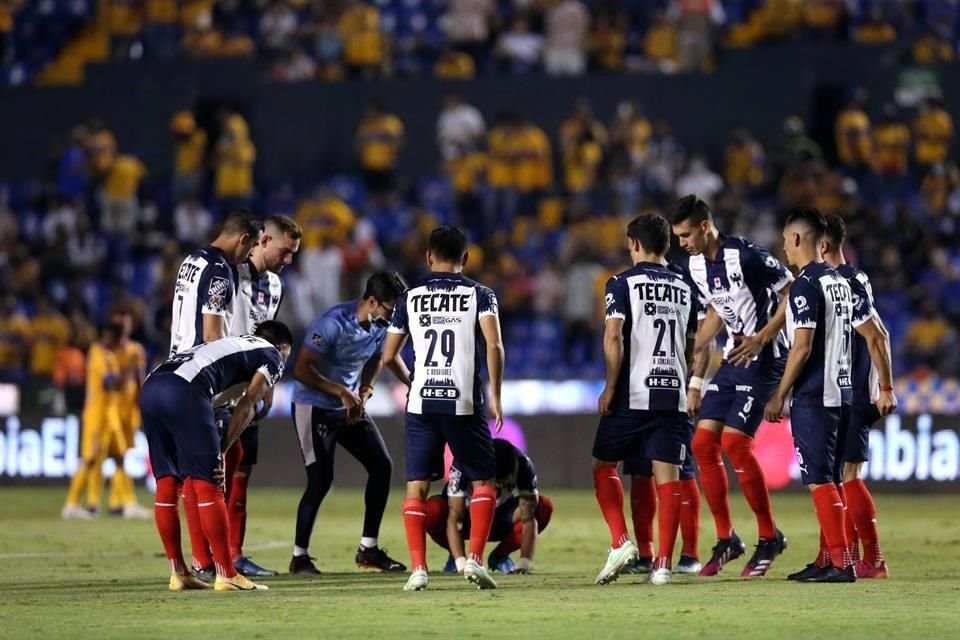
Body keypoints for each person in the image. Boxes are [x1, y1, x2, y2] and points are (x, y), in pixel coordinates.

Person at [763, 208, 897, 583]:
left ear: (798, 240)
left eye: (785, 240)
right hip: (843, 392)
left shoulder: (808, 283)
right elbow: (875, 332)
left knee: (824, 479)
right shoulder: (841, 281)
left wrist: (779, 394)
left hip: (817, 394)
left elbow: (802, 347)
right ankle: (830, 559)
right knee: (837, 477)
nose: (783, 249)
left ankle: (843, 562)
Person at [671, 194, 791, 577]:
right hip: (733, 361)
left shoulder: (747, 255)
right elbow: (715, 313)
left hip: (766, 358)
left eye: (686, 234)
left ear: (705, 226)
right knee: (702, 444)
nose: (682, 243)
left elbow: (793, 293)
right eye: (677, 236)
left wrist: (762, 336)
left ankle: (770, 536)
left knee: (735, 444)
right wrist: (694, 376)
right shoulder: (694, 266)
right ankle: (728, 538)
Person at [382, 225, 505, 591]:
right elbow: (494, 345)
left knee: (416, 487)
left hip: (421, 400)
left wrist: (410, 381)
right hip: (463, 402)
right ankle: (477, 561)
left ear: (428, 256)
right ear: (465, 258)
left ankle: (418, 568)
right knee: (484, 481)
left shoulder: (410, 297)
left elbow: (388, 356)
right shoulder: (480, 294)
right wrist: (496, 394)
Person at [142, 321, 293, 592]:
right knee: (210, 482)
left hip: (151, 385)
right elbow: (248, 402)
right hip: (185, 390)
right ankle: (227, 574)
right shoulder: (272, 354)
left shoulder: (232, 345)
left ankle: (178, 573)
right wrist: (221, 450)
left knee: (167, 484)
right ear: (282, 347)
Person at [591, 213, 697, 587]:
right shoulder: (687, 287)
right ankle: (664, 566)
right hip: (673, 394)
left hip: (632, 393)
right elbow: (691, 343)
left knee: (604, 466)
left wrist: (609, 386)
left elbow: (614, 337)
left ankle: (621, 541)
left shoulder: (621, 283)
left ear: (633, 244)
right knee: (668, 479)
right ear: (666, 245)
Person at [290, 271, 411, 575]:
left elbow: (380, 358)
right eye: (389, 309)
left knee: (382, 466)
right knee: (320, 479)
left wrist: (366, 388)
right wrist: (342, 391)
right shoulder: (331, 323)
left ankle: (368, 549)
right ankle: (299, 557)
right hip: (314, 406)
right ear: (371, 301)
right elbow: (302, 370)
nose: (392, 316)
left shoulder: (380, 325)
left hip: (349, 406)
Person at [170, 209, 262, 580]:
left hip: (174, 367)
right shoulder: (222, 270)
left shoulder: (191, 260)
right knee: (207, 469)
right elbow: (211, 333)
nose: (248, 256)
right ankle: (208, 562)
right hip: (200, 378)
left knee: (216, 459)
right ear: (243, 240)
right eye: (251, 247)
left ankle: (199, 560)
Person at [222, 214, 302, 577]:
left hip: (253, 388)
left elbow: (268, 335)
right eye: (285, 252)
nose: (288, 261)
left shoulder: (274, 286)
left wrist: (269, 382)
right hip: (222, 386)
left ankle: (234, 555)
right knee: (217, 468)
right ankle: (209, 554)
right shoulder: (228, 273)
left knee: (242, 471)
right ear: (263, 241)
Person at [424, 438, 554, 575]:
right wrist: (461, 563)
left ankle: (500, 556)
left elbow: (529, 519)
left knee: (542, 507)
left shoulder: (523, 465)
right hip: (466, 519)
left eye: (503, 481)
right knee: (433, 510)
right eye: (494, 480)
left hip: (499, 518)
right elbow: (454, 518)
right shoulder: (463, 463)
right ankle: (455, 555)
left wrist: (524, 565)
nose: (498, 486)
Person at [62, 321, 126, 519]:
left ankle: (94, 505)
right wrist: (128, 372)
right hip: (96, 415)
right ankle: (71, 504)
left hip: (107, 414)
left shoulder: (109, 355)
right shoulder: (98, 353)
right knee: (89, 458)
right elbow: (110, 383)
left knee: (102, 459)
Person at [622, 417, 700, 575]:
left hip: (672, 406)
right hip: (636, 409)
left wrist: (694, 390)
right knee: (639, 472)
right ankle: (645, 555)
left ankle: (690, 554)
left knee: (681, 473)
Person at [106, 308, 151, 519]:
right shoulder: (108, 352)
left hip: (129, 410)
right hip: (111, 411)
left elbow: (140, 380)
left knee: (120, 456)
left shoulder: (135, 350)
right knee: (118, 456)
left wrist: (143, 405)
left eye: (124, 325)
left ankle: (117, 502)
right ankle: (127, 502)